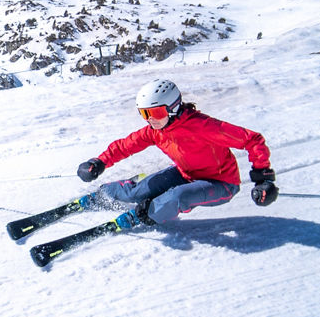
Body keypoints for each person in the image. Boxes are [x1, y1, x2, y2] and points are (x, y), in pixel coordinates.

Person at [76, 79, 277, 229]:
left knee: (175, 197)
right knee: (139, 191)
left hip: (221, 184)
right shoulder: (156, 131)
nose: (150, 120)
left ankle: (142, 216)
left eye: (155, 113)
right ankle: (101, 194)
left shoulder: (203, 126)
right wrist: (99, 162)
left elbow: (252, 139)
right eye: (144, 114)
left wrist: (263, 178)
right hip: (186, 174)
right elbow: (126, 145)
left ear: (172, 108)